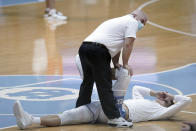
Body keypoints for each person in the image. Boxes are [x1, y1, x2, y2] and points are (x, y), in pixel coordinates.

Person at [13, 67, 192, 129]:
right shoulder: (146, 101)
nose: (163, 97)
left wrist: (172, 97)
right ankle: (30, 120)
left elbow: (187, 101)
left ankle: (88, 72)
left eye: (165, 98)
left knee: (124, 75)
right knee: (66, 117)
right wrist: (155, 93)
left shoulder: (163, 113)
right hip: (102, 109)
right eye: (164, 97)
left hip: (116, 112)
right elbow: (138, 88)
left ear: (169, 104)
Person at [76, 9, 148, 127]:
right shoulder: (133, 22)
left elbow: (116, 45)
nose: (141, 25)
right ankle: (114, 118)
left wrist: (115, 63)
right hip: (98, 52)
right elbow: (128, 44)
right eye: (143, 23)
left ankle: (78, 112)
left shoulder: (116, 21)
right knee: (104, 85)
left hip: (84, 48)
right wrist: (125, 64)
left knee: (87, 83)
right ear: (138, 18)